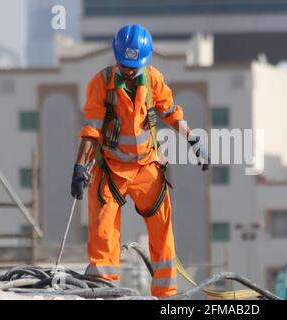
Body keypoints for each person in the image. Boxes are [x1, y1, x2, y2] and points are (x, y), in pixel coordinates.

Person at [70, 24, 210, 297]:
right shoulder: (101, 83)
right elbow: (91, 129)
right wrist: (79, 167)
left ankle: (166, 294)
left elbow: (171, 113)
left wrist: (195, 141)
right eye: (126, 65)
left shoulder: (153, 79)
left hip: (147, 168)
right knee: (103, 234)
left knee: (163, 235)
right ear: (117, 57)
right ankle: (103, 288)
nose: (130, 71)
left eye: (135, 66)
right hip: (111, 170)